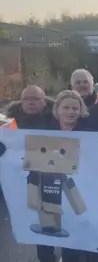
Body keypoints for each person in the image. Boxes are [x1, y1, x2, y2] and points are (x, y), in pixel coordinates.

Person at [0, 85, 57, 262]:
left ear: (44, 100)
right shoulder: (9, 124)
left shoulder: (55, 120)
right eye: (27, 99)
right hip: (18, 180)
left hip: (49, 177)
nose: (31, 103)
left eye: (36, 99)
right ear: (21, 101)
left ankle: (47, 256)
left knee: (47, 220)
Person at [45, 90, 98, 262]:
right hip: (55, 191)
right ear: (57, 109)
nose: (70, 112)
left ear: (81, 110)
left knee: (90, 243)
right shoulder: (44, 133)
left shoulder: (92, 133)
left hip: (85, 192)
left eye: (75, 108)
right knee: (69, 244)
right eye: (66, 107)